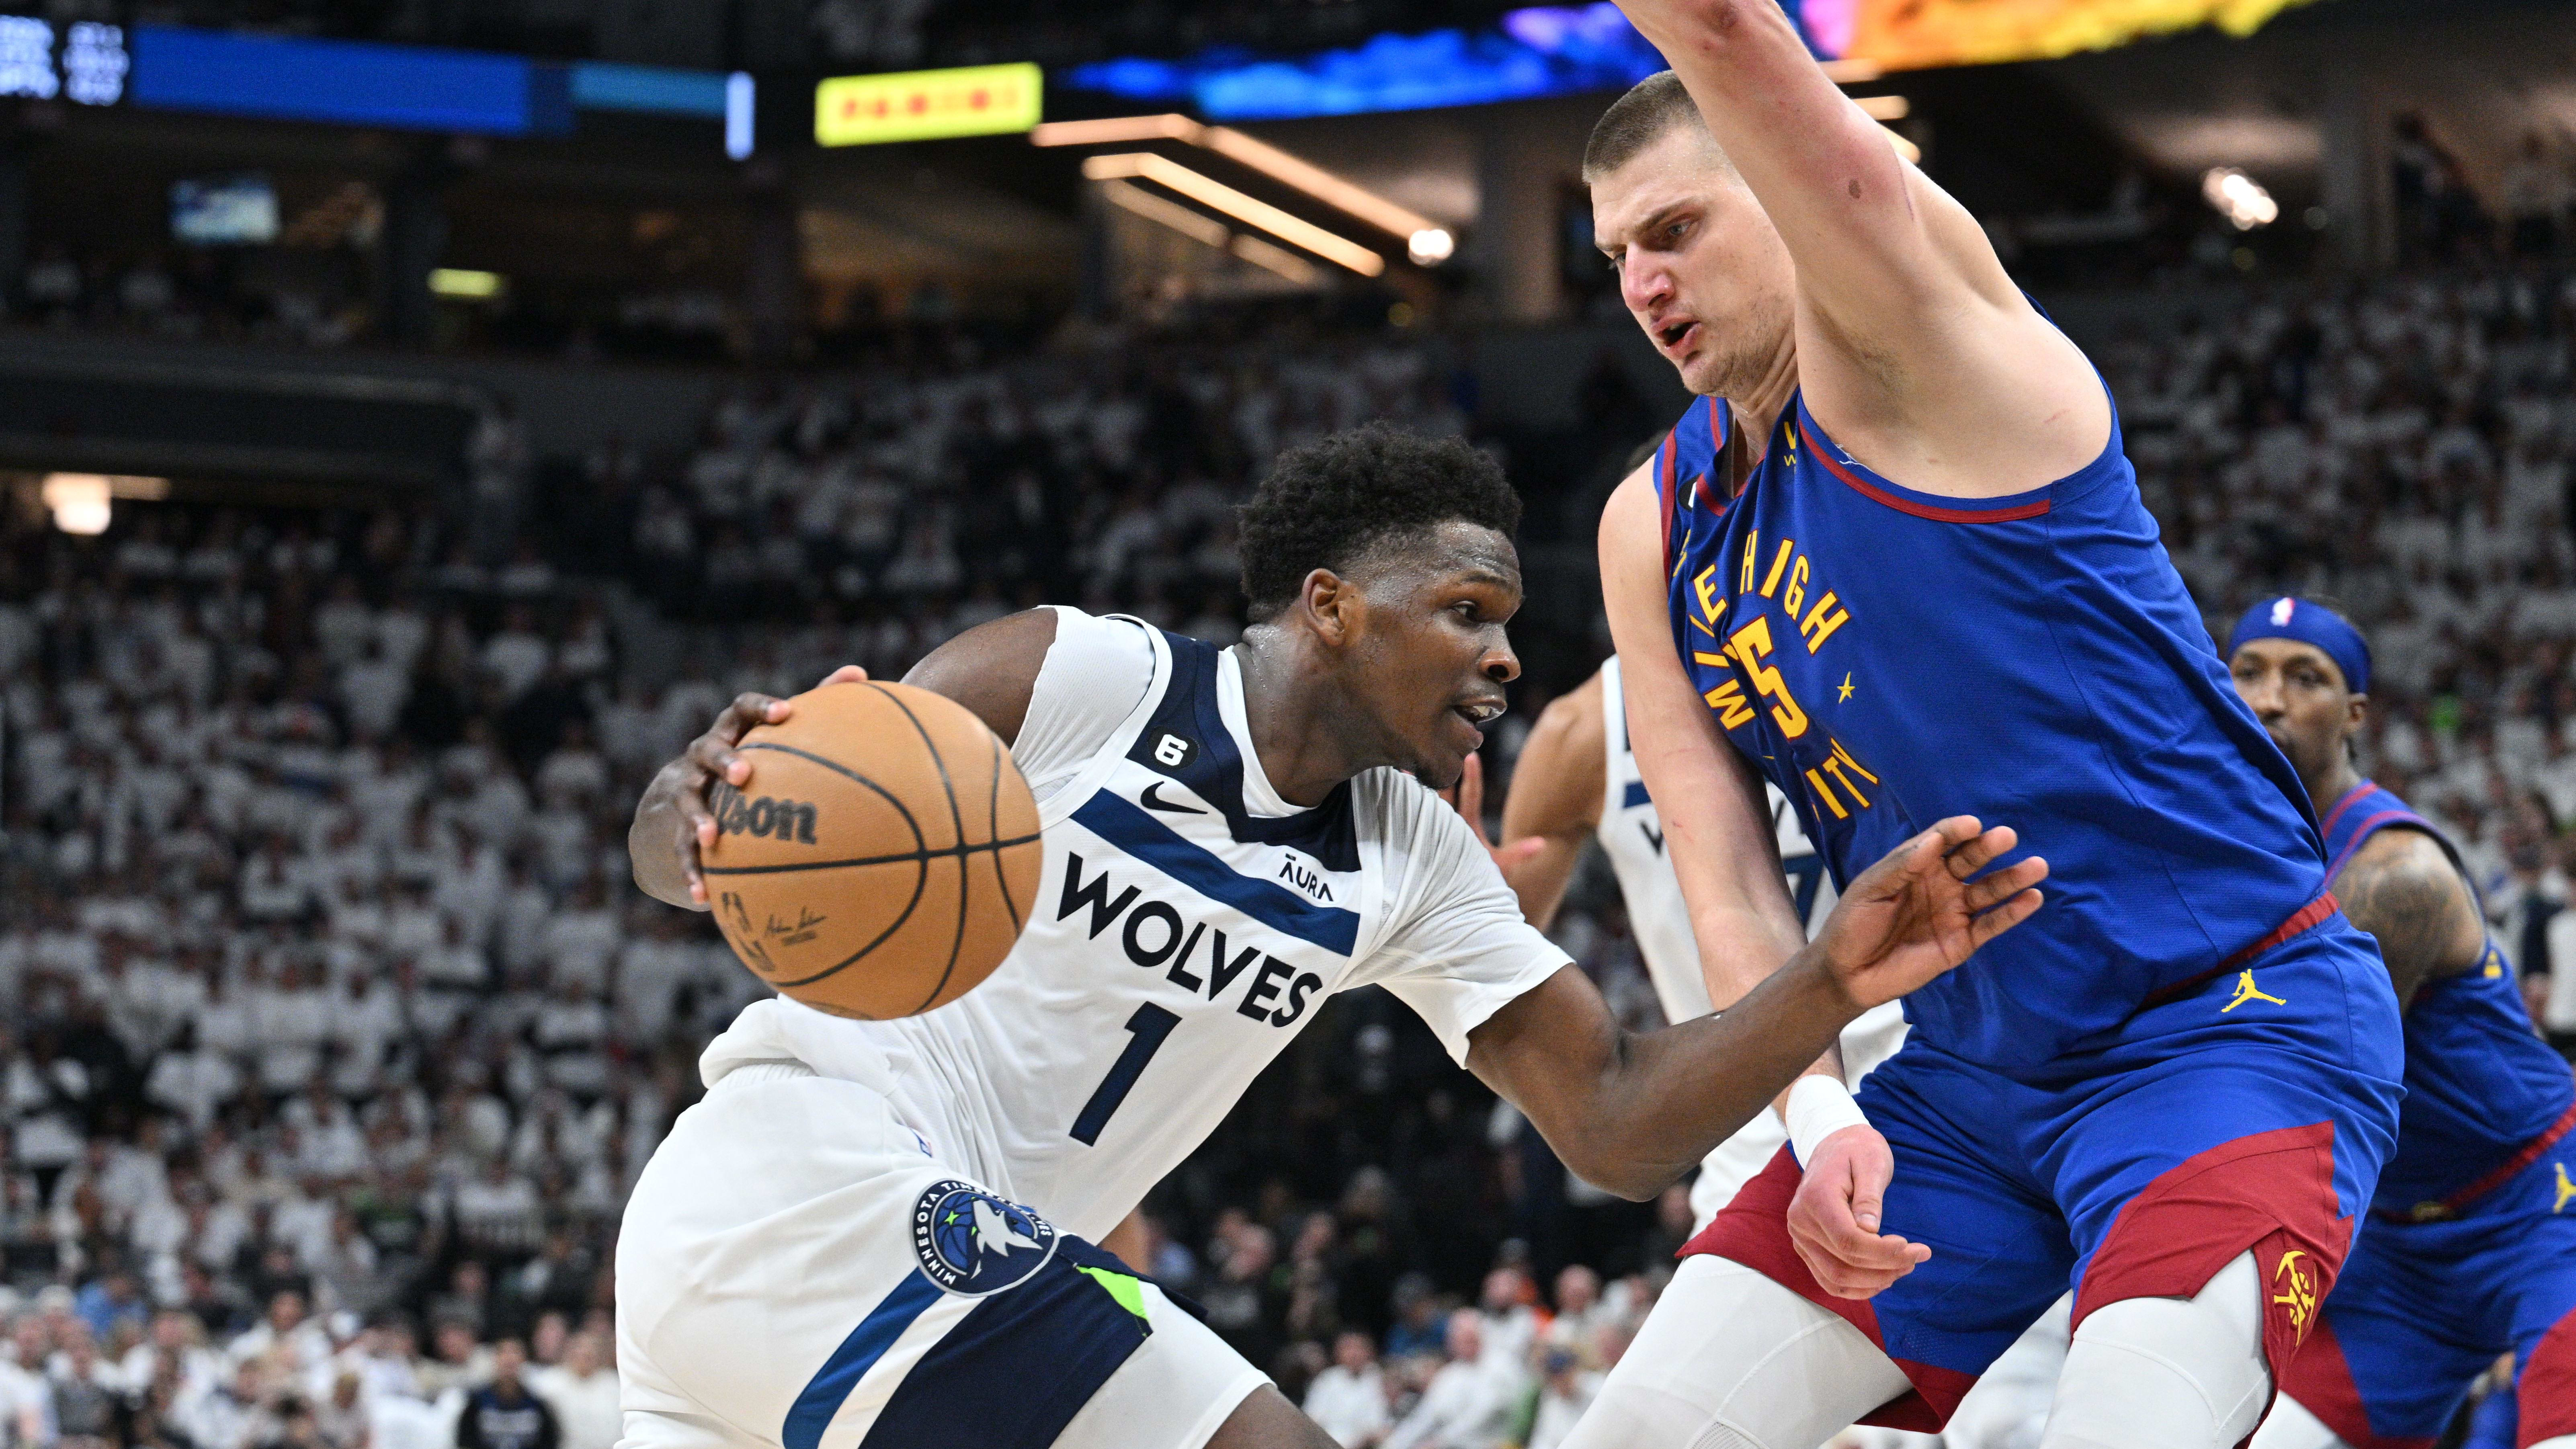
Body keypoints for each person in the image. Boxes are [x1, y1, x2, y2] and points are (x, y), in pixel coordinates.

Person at [621, 425, 2045, 1449]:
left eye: (1507, 626)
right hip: (809, 1172)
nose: (1500, 656)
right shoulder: (1083, 673)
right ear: (1330, 607)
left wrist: (1828, 977)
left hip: (865, 1272)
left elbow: (1612, 1127)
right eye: (1464, 613)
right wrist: (690, 810)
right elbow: (775, 837)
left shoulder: (1412, 855)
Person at [1571, 13, 2404, 1446]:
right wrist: (1819, 1111)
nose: (1643, 284)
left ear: (1775, 185)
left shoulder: (1923, 352)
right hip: (1964, 1074)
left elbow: (1729, 40)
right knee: (1643, 1428)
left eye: (1674, 228)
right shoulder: (1650, 521)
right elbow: (1721, 869)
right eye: (1612, 258)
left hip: (2223, 1025)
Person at [2228, 599, 2576, 1449]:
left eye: (2303, 676)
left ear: (2354, 714)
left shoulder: (2396, 874)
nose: (2270, 697)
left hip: (2542, 1206)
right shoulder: (2225, 851)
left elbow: (2292, 1088)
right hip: (2399, 1250)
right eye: (2248, 672)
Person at [1494, 656, 1903, 1227]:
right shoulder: (1587, 729)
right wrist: (1458, 887)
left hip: (1932, 1113)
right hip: (1753, 1152)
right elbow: (1499, 940)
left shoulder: (1861, 649)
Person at [457, 1340, 558, 1449]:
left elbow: (549, 1441)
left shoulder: (537, 1404)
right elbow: (466, 1441)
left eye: (515, 1353)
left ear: (524, 1360)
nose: (510, 1359)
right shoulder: (477, 1402)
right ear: (495, 1359)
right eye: (504, 1353)